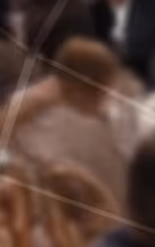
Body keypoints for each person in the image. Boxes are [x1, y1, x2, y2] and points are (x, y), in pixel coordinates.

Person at [7, 37, 136, 204]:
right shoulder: (45, 122)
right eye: (102, 91)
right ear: (80, 92)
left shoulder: (103, 115)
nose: (106, 96)